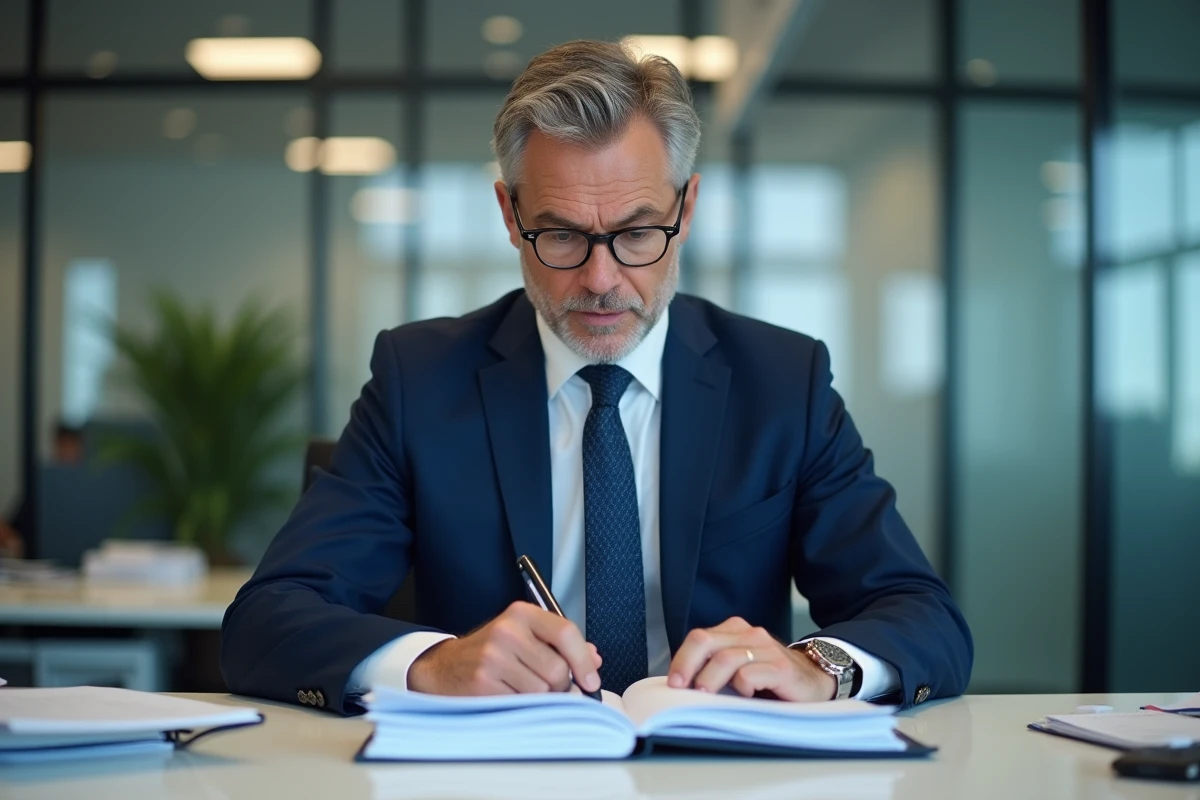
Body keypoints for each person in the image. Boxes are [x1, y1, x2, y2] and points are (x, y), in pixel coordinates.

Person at [221, 40, 972, 714]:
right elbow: (268, 620)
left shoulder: (783, 381)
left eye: (639, 233)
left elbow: (921, 613)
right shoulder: (419, 380)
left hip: (722, 778)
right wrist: (431, 664)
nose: (602, 279)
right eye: (562, 236)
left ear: (689, 206)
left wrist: (821, 665)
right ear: (510, 217)